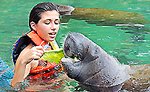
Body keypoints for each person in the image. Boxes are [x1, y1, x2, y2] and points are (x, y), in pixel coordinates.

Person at [11, 2, 62, 90]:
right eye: (47, 23)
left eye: (56, 23)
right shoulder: (29, 54)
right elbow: (15, 88)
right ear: (34, 26)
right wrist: (23, 62)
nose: (54, 27)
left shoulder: (50, 42)